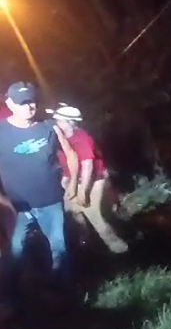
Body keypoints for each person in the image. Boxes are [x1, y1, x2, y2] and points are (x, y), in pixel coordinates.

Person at [0, 81, 80, 308]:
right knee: (14, 251)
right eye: (23, 103)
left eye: (32, 101)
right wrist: (3, 201)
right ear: (10, 104)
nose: (29, 107)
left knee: (59, 246)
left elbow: (70, 153)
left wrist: (73, 181)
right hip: (17, 206)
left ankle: (62, 292)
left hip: (50, 201)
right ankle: (9, 297)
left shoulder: (49, 128)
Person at [52, 103, 129, 254]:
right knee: (72, 211)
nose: (56, 123)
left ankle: (119, 248)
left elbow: (88, 167)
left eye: (59, 120)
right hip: (74, 179)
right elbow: (66, 163)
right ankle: (85, 241)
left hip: (93, 179)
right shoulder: (61, 139)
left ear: (70, 122)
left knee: (94, 214)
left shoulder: (82, 139)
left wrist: (84, 192)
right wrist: (65, 179)